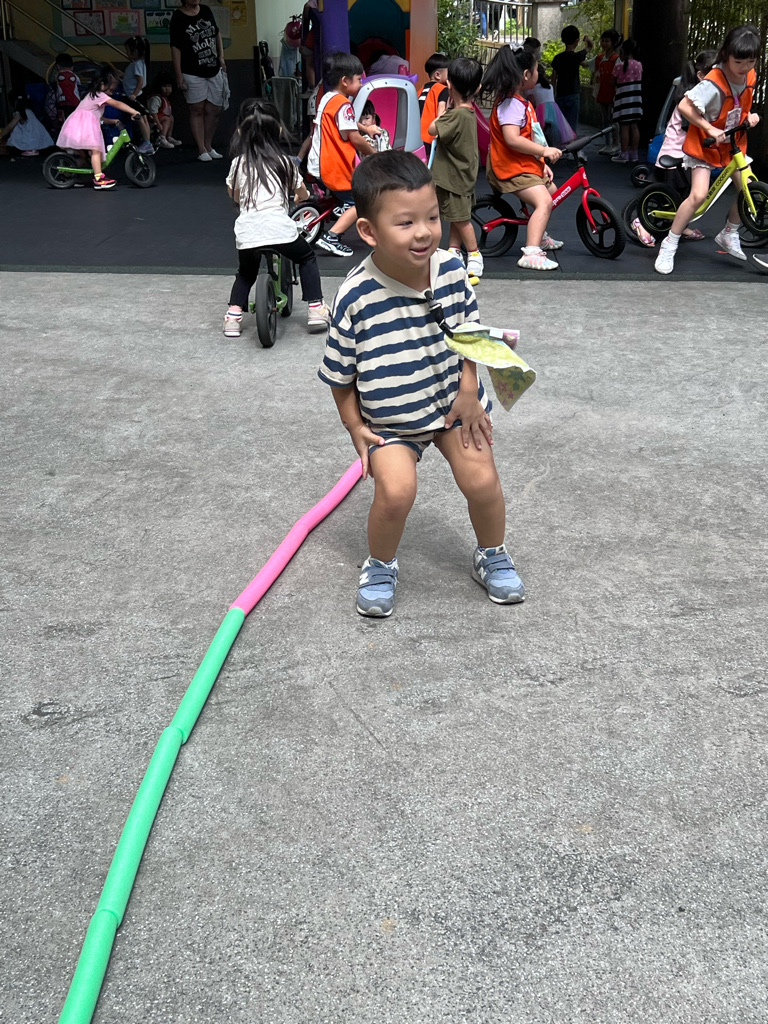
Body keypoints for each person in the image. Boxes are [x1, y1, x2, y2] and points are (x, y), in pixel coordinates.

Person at [319, 150, 525, 617]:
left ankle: (492, 553)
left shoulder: (451, 269)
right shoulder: (355, 296)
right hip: (390, 420)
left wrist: (469, 391)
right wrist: (355, 427)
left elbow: (470, 335)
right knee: (396, 492)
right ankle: (380, 564)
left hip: (454, 405)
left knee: (483, 481)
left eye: (432, 217)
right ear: (368, 231)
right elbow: (339, 375)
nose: (424, 232)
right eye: (406, 222)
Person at [655, 23, 762, 275]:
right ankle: (669, 243)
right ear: (726, 55)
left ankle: (729, 232)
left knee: (746, 187)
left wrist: (750, 116)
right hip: (706, 143)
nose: (745, 67)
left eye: (751, 61)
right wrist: (709, 129)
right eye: (739, 62)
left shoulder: (750, 75)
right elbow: (684, 106)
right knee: (698, 196)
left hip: (733, 141)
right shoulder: (713, 82)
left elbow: (743, 104)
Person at [223, 99, 330, 337]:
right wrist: (302, 197)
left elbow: (234, 195)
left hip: (248, 232)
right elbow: (301, 193)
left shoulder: (238, 164)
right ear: (279, 130)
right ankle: (316, 309)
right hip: (280, 231)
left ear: (240, 131)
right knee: (307, 258)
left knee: (246, 273)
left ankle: (233, 317)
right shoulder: (285, 163)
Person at [482, 46, 563, 271]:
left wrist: (540, 163)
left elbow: (530, 137)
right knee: (544, 202)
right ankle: (532, 252)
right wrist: (544, 152)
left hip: (522, 165)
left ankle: (539, 233)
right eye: (537, 70)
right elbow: (513, 139)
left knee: (552, 192)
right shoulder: (511, 104)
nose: (539, 74)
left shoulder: (519, 102)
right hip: (510, 168)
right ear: (526, 75)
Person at [632, 49, 717, 247]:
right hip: (675, 154)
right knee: (667, 197)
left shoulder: (705, 96)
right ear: (701, 76)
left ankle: (680, 225)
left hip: (688, 155)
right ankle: (641, 222)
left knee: (686, 196)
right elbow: (693, 127)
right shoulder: (692, 99)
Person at [308, 51, 372, 257]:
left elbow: (346, 123)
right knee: (361, 202)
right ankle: (332, 236)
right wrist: (374, 153)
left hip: (318, 162)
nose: (361, 84)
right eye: (359, 79)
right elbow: (354, 138)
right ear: (345, 81)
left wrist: (366, 128)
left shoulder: (328, 98)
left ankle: (341, 209)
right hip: (331, 166)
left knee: (348, 199)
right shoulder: (344, 105)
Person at [428, 56, 485, 282]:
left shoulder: (454, 116)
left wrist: (441, 110)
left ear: (449, 84)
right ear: (478, 88)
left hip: (453, 179)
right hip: (461, 177)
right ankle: (454, 251)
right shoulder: (468, 112)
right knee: (456, 216)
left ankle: (474, 254)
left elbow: (432, 129)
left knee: (461, 220)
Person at [56, 65, 144, 189]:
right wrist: (133, 112)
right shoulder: (98, 95)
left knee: (85, 159)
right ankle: (99, 179)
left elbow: (98, 118)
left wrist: (113, 121)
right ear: (102, 85)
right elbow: (117, 103)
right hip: (83, 127)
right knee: (95, 151)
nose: (113, 91)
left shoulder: (92, 97)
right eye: (111, 88)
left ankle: (68, 176)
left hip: (77, 127)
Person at [169, 0, 228, 161]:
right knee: (197, 109)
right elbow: (175, 47)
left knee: (214, 109)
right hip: (191, 70)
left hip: (213, 67)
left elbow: (216, 33)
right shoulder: (178, 17)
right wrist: (179, 74)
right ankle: (201, 148)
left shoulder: (206, 10)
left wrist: (221, 57)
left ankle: (208, 145)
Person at [550, 25, 592, 139]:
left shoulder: (558, 58)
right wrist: (587, 40)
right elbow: (590, 47)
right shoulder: (577, 57)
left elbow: (553, 78)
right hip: (573, 93)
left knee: (561, 124)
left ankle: (560, 145)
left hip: (560, 94)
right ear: (577, 40)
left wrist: (553, 93)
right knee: (572, 124)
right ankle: (571, 145)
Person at [610, 38, 643, 163]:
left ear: (623, 51)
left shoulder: (618, 66)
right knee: (634, 126)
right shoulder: (639, 65)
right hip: (636, 99)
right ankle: (634, 153)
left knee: (624, 127)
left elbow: (612, 82)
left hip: (623, 100)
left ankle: (624, 153)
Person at [590, 28, 621, 154]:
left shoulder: (616, 59)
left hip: (613, 92)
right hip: (602, 91)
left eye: (607, 41)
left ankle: (615, 144)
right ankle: (608, 143)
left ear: (613, 43)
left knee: (613, 119)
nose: (604, 43)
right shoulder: (599, 58)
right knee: (605, 119)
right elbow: (586, 64)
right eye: (603, 41)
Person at [530, 63, 576, 148]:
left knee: (539, 129)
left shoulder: (533, 88)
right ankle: (572, 147)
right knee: (562, 128)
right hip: (554, 109)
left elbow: (532, 102)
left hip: (541, 109)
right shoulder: (550, 86)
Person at [122, 36, 154, 155]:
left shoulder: (137, 64)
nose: (127, 53)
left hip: (136, 96)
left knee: (139, 119)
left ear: (135, 51)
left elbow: (140, 82)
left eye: (127, 51)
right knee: (143, 119)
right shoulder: (139, 63)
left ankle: (147, 143)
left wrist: (134, 95)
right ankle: (147, 142)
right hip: (139, 96)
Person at [419, 52, 450, 149]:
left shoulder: (420, 89)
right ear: (437, 75)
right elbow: (441, 115)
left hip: (416, 137)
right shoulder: (443, 89)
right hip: (430, 138)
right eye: (448, 73)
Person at [146, 72, 182, 148]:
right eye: (164, 86)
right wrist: (158, 124)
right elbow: (153, 113)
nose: (167, 89)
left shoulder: (165, 98)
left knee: (171, 117)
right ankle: (162, 138)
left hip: (160, 119)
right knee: (167, 119)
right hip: (152, 120)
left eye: (169, 86)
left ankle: (169, 137)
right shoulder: (156, 98)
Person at [54, 53, 80, 126]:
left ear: (58, 66)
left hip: (62, 103)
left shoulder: (57, 76)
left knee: (63, 124)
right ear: (72, 67)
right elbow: (79, 86)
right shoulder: (75, 76)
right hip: (75, 103)